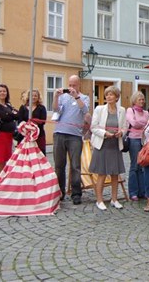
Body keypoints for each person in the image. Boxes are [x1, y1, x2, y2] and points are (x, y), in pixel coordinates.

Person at [52, 75, 90, 205]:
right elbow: (55, 109)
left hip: (75, 136)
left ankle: (76, 193)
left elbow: (85, 110)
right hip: (59, 133)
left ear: (79, 85)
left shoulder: (84, 97)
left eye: (74, 85)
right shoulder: (63, 97)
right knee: (59, 166)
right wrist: (56, 96)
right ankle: (59, 192)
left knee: (75, 166)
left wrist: (76, 97)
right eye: (70, 85)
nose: (71, 87)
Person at [89, 86, 127, 210]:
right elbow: (93, 127)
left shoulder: (121, 110)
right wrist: (105, 133)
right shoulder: (99, 109)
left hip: (115, 145)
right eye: (107, 94)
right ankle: (99, 200)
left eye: (111, 94)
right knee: (102, 173)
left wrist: (121, 133)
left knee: (115, 174)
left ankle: (114, 199)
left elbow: (125, 126)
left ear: (116, 97)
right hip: (102, 145)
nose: (109, 97)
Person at [0, 84, 19, 179]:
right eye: (0, 91)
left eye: (4, 91)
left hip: (8, 135)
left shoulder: (8, 104)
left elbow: (17, 115)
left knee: (5, 158)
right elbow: (5, 117)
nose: (2, 93)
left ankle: (2, 179)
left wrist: (10, 114)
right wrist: (11, 114)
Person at [125, 91, 149, 201]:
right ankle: (133, 192)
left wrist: (142, 126)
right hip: (133, 139)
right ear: (134, 100)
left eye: (143, 99)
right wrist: (143, 126)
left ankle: (142, 191)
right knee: (134, 166)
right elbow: (134, 123)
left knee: (143, 166)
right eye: (140, 99)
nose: (142, 101)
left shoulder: (146, 113)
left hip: (144, 140)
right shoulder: (130, 110)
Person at [18, 89, 47, 155]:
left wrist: (33, 124)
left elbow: (43, 121)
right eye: (32, 96)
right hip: (25, 135)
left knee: (39, 153)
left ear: (38, 97)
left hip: (39, 135)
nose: (33, 97)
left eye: (35, 96)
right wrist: (26, 126)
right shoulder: (23, 107)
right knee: (25, 154)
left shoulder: (41, 108)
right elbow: (20, 120)